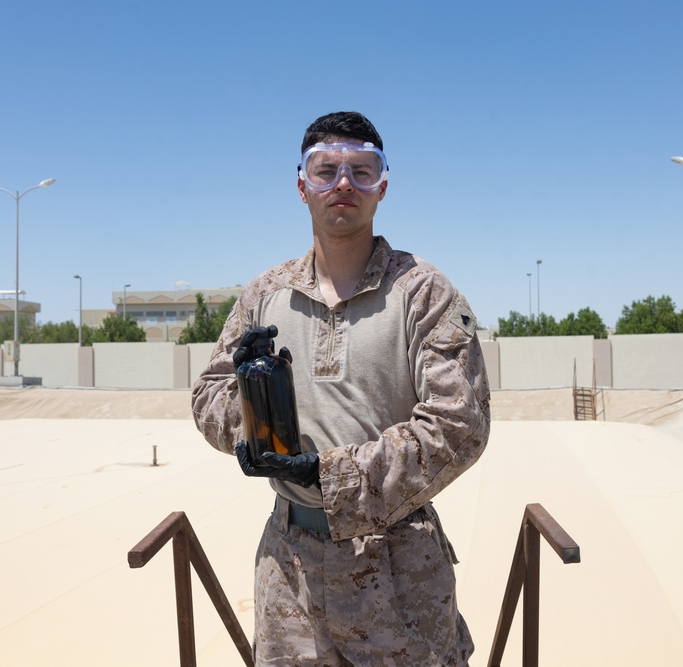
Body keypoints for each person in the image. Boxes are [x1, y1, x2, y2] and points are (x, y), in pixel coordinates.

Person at [192, 111, 491, 666]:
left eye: (362, 169)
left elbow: (459, 425)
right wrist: (255, 419)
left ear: (383, 187)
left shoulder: (424, 293)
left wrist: (327, 475)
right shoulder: (266, 293)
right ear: (302, 186)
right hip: (290, 572)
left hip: (399, 569)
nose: (344, 184)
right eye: (325, 170)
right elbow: (208, 397)